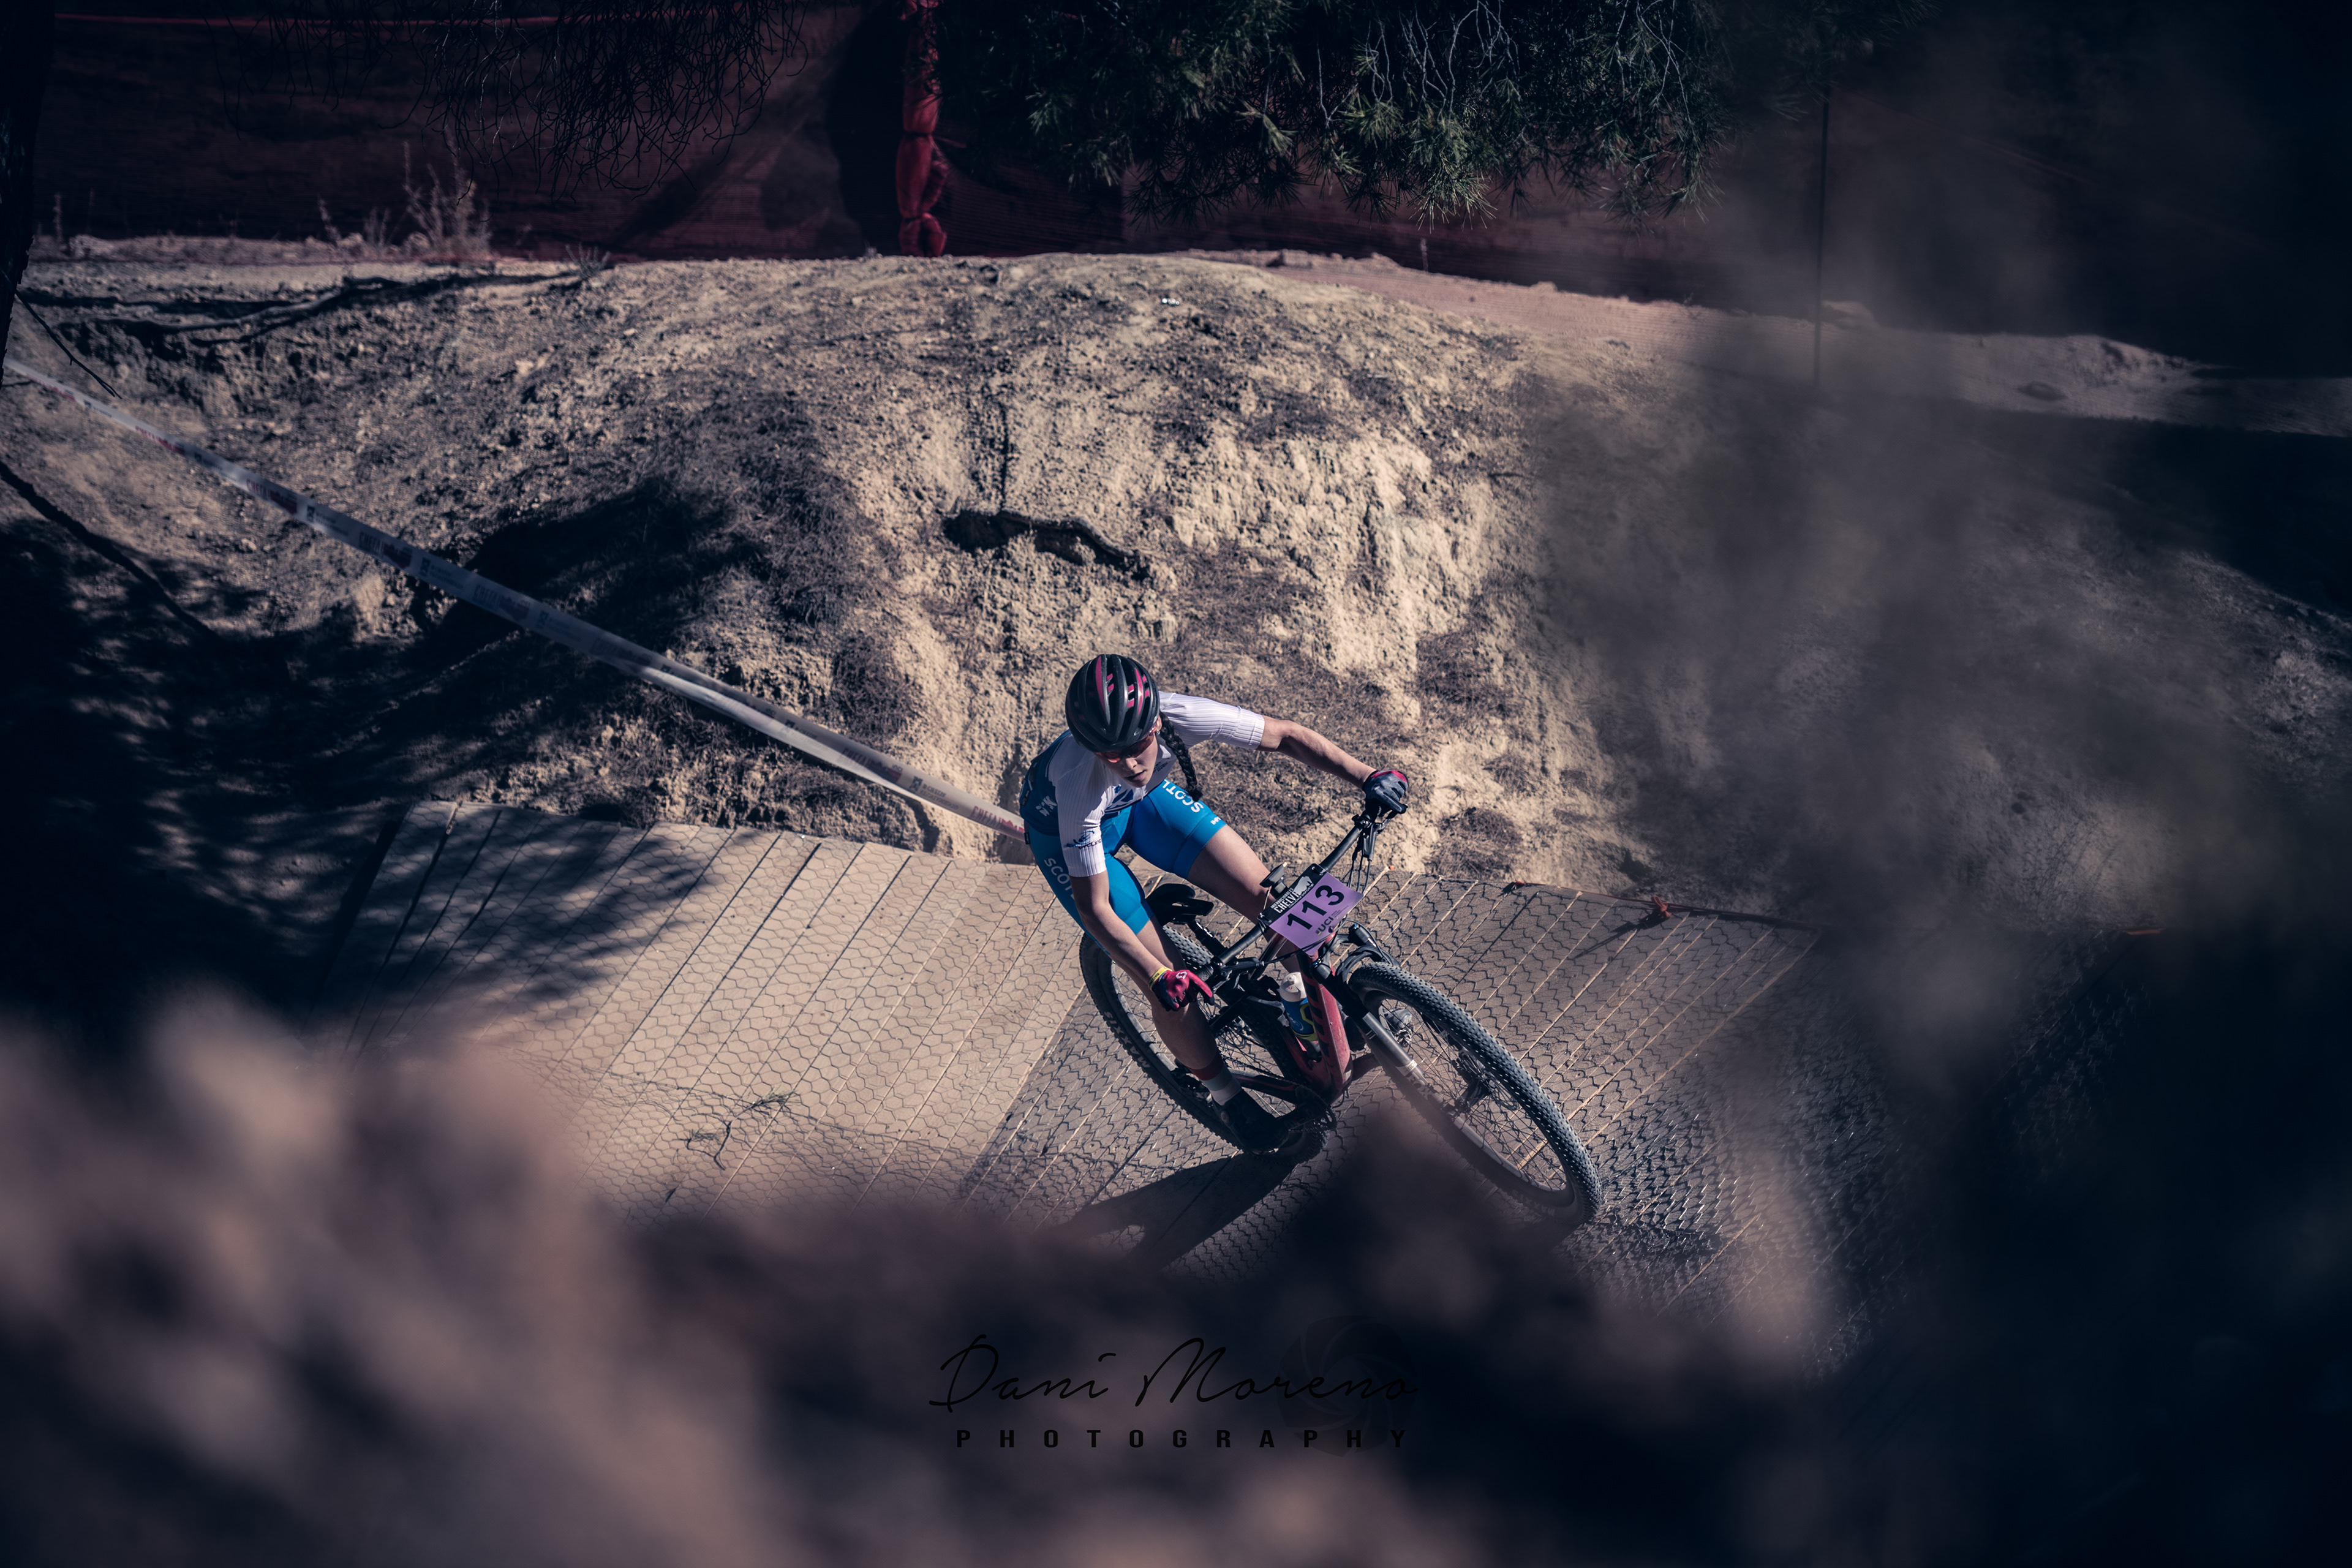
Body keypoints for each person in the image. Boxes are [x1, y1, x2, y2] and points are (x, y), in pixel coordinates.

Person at [1021, 654, 1409, 1152]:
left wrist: (1369, 776)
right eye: (1112, 755)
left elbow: (1285, 736)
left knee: (1280, 906)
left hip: (1143, 805)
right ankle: (1227, 1097)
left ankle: (1336, 1017)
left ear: (1157, 724)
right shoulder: (1080, 785)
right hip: (1067, 838)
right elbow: (1095, 909)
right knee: (1169, 982)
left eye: (1138, 747)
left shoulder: (1182, 715)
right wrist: (1156, 977)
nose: (1132, 764)